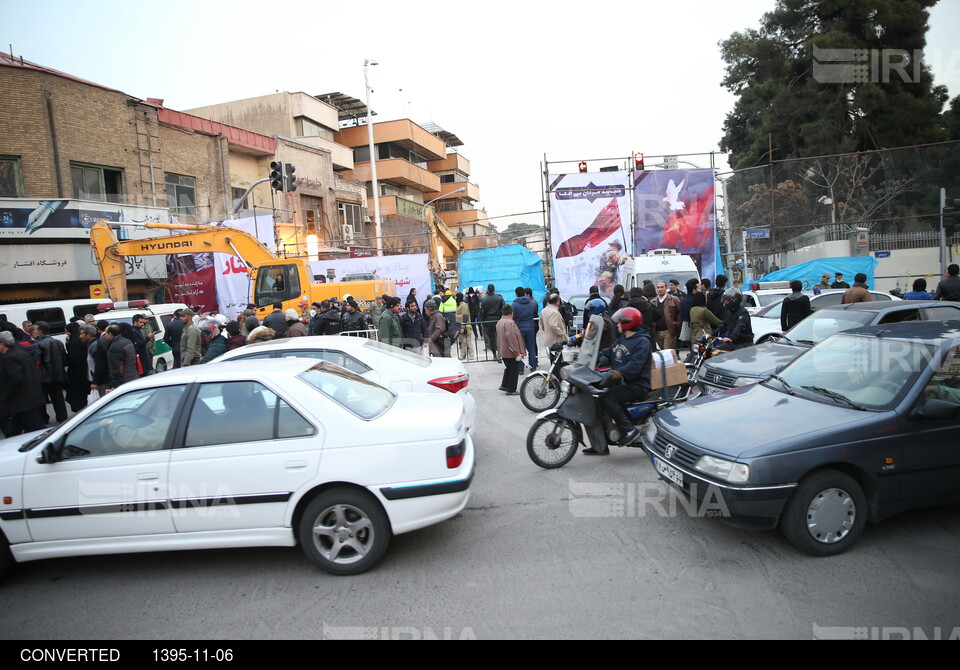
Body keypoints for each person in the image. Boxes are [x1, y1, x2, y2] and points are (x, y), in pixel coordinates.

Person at [590, 307, 653, 453]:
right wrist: (594, 356)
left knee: (608, 398)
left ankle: (629, 431)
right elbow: (609, 351)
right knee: (596, 398)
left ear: (627, 323)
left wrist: (615, 374)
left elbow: (634, 366)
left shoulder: (642, 342)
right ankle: (600, 445)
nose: (617, 325)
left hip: (637, 384)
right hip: (621, 381)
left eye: (619, 323)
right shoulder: (622, 339)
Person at [0, 330, 46, 437]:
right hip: (28, 400)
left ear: (2, 344)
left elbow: (15, 379)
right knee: (15, 431)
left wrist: (4, 396)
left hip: (22, 402)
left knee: (35, 432)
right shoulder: (21, 353)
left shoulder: (9, 358)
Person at [33, 321, 68, 424]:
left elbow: (37, 362)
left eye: (35, 329)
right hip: (57, 375)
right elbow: (64, 359)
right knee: (58, 399)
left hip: (43, 378)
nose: (33, 332)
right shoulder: (58, 342)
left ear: (40, 331)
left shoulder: (37, 344)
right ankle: (62, 418)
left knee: (42, 401)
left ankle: (44, 420)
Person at [495, 305, 526, 395]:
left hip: (503, 350)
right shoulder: (510, 323)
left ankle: (504, 384)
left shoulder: (500, 322)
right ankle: (511, 389)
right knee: (513, 370)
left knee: (508, 368)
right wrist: (517, 351)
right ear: (511, 313)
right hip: (510, 351)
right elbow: (511, 338)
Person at [64, 321, 90, 414]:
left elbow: (74, 358)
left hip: (77, 373)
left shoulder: (75, 342)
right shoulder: (77, 341)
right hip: (82, 371)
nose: (67, 334)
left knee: (78, 395)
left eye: (68, 332)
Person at [512, 286, 538, 372]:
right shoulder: (531, 303)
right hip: (530, 327)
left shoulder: (514, 304)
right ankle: (533, 368)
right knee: (531, 349)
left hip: (519, 329)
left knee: (521, 349)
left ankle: (521, 369)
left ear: (516, 294)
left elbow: (513, 317)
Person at [105, 324, 138, 389]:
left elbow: (118, 367)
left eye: (106, 333)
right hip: (133, 376)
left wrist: (115, 384)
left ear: (110, 334)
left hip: (124, 381)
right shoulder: (127, 341)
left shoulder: (116, 346)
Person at [654, 281, 681, 351]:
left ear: (666, 288)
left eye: (662, 287)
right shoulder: (653, 301)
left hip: (669, 330)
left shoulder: (674, 299)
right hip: (657, 332)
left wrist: (676, 324)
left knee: (667, 352)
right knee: (662, 352)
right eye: (658, 287)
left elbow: (679, 313)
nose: (660, 289)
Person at [481, 284, 505, 360]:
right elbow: (504, 309)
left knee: (491, 338)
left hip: (488, 320)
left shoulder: (484, 300)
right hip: (498, 319)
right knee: (500, 337)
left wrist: (483, 322)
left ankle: (494, 354)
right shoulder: (499, 298)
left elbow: (482, 312)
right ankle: (500, 354)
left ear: (487, 290)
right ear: (494, 289)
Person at [455, 292, 475, 361]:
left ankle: (471, 355)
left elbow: (465, 316)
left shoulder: (463, 306)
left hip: (465, 327)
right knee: (462, 342)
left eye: (456, 297)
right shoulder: (460, 306)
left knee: (468, 341)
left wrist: (463, 327)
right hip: (461, 326)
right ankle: (463, 355)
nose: (455, 299)